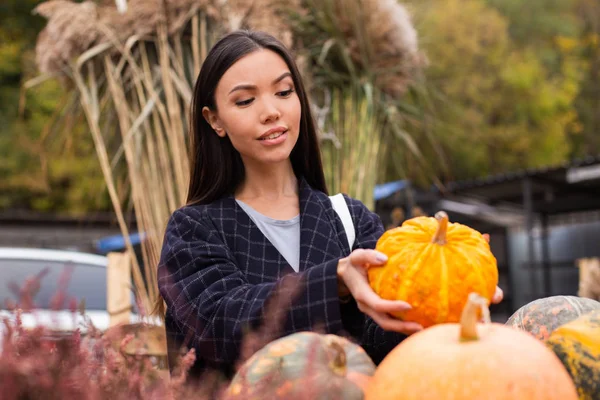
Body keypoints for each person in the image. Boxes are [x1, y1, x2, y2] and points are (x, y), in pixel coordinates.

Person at [157, 30, 503, 379]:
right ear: (214, 119)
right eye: (245, 101)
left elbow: (377, 344)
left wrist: (442, 298)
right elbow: (218, 327)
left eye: (284, 92)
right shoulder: (193, 230)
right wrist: (334, 280)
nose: (272, 111)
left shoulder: (350, 220)